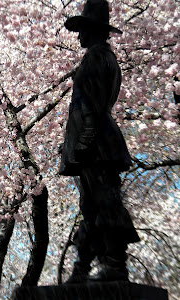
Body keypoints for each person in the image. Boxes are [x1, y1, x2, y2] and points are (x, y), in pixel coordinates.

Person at [59, 0, 140, 283]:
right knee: (91, 205)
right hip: (96, 143)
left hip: (97, 146)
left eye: (82, 29)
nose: (78, 35)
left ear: (92, 31)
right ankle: (83, 265)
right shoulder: (103, 57)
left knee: (104, 202)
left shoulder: (97, 58)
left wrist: (83, 142)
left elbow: (92, 105)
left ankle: (115, 263)